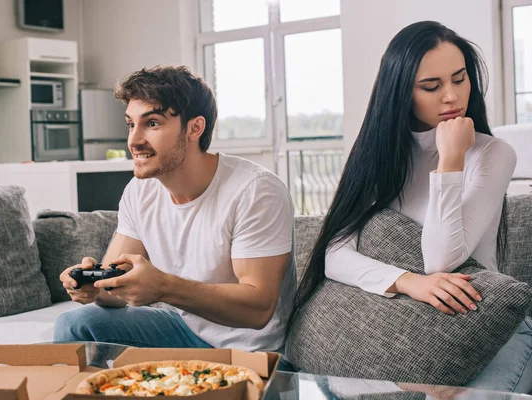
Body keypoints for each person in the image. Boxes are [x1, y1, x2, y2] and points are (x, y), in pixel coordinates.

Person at [289, 21, 531, 393]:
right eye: (431, 86)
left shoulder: (493, 153)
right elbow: (335, 256)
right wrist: (410, 283)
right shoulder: (381, 157)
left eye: (460, 78)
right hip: (413, 331)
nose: (451, 96)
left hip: (485, 326)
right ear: (401, 91)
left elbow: (441, 260)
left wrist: (450, 160)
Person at [53, 66, 296, 359]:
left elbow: (258, 309)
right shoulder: (139, 191)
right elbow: (112, 291)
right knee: (75, 323)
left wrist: (164, 287)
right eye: (131, 124)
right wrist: (92, 286)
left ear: (195, 128)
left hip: (250, 350)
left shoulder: (256, 190)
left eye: (152, 123)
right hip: (186, 330)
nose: (134, 140)